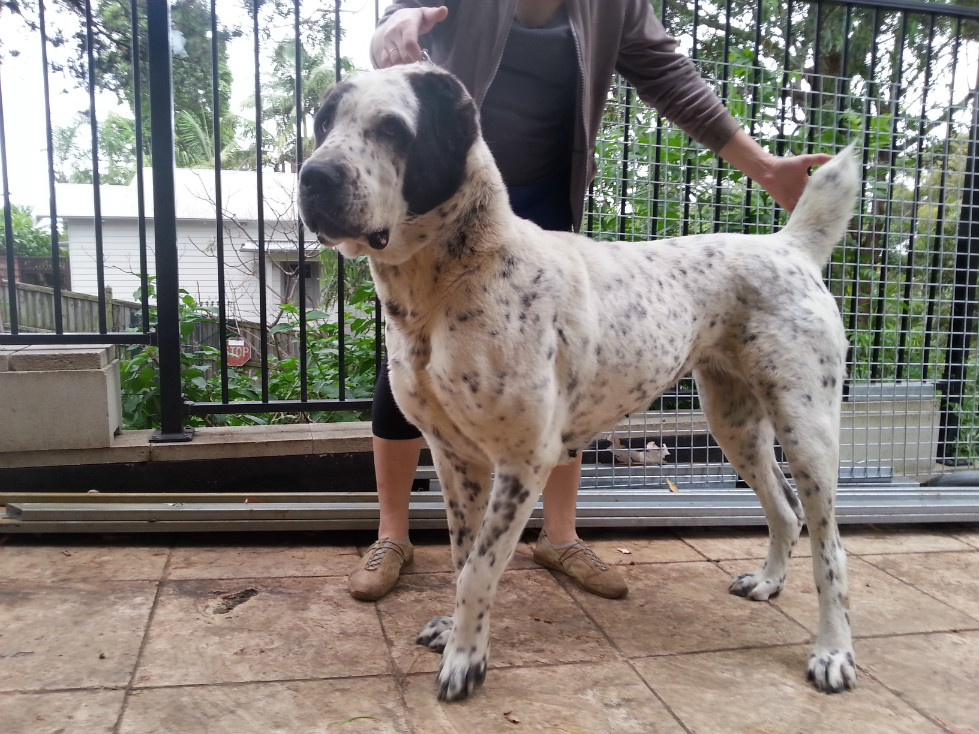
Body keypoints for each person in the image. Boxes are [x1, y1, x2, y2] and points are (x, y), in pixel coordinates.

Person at [348, 0, 831, 602]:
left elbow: (671, 78)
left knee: (558, 380)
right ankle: (392, 536)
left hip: (540, 200)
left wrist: (763, 167)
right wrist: (397, 18)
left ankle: (559, 535)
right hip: (441, 196)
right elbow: (405, 11)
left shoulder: (614, 6)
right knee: (416, 368)